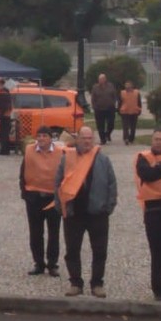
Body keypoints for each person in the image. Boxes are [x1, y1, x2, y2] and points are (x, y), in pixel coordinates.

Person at [54, 127, 117, 298]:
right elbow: (58, 182)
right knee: (72, 250)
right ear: (78, 139)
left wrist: (108, 206)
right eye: (84, 138)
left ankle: (97, 283)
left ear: (94, 139)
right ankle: (76, 283)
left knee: (99, 250)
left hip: (98, 214)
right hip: (74, 214)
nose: (87, 141)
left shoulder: (103, 160)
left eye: (90, 138)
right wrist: (61, 206)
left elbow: (112, 185)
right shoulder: (67, 159)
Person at [18, 127, 64, 277]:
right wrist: (25, 193)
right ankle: (38, 263)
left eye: (45, 136)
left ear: (51, 138)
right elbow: (22, 172)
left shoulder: (60, 152)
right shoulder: (29, 150)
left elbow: (65, 173)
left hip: (53, 197)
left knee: (53, 232)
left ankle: (52, 264)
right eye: (39, 136)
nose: (42, 138)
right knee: (36, 232)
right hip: (34, 197)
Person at [134, 127, 161, 301]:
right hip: (154, 211)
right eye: (156, 139)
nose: (158, 142)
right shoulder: (144, 157)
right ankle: (159, 290)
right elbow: (147, 174)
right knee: (158, 252)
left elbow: (155, 173)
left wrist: (160, 168)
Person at [90, 73, 118, 145]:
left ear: (105, 79)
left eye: (102, 79)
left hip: (110, 108)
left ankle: (107, 134)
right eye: (99, 79)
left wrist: (113, 103)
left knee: (111, 124)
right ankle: (103, 139)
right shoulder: (95, 87)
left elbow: (114, 95)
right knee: (100, 125)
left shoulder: (110, 86)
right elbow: (93, 98)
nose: (100, 80)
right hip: (99, 109)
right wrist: (94, 106)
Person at [118, 80, 141, 145]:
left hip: (134, 111)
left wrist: (139, 110)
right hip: (125, 112)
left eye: (129, 85)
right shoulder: (122, 93)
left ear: (132, 86)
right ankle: (126, 138)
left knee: (133, 127)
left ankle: (132, 138)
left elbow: (139, 102)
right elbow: (120, 102)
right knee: (125, 127)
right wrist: (119, 110)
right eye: (126, 85)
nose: (127, 86)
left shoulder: (136, 93)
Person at [0, 79, 13, 156]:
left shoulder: (3, 94)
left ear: (2, 84)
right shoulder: (7, 93)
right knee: (5, 134)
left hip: (3, 117)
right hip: (6, 116)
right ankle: (6, 150)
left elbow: (2, 107)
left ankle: (4, 151)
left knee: (3, 134)